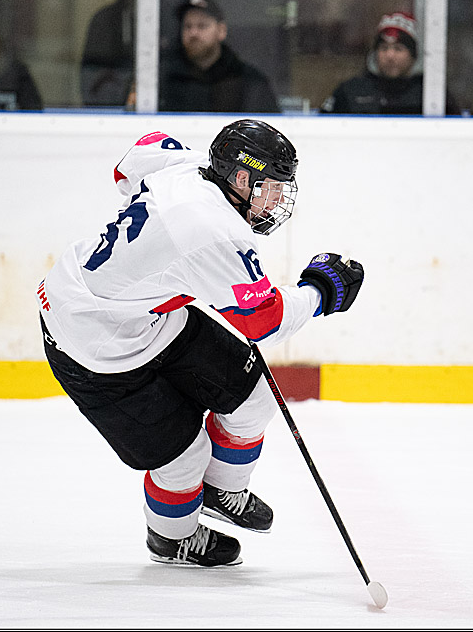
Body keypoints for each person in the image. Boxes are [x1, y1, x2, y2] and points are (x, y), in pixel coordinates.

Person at [36, 120, 364, 566]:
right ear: (242, 178)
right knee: (185, 457)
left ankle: (221, 490)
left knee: (257, 397)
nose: (275, 201)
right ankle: (172, 538)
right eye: (271, 188)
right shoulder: (214, 230)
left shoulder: (184, 163)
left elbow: (127, 166)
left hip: (148, 318)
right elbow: (263, 322)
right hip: (90, 342)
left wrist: (153, 254)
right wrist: (321, 293)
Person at [158, 0, 280, 114]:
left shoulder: (249, 82)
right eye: (188, 26)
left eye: (202, 26)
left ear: (221, 31)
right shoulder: (164, 79)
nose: (193, 33)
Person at [320, 11, 455, 115]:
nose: (390, 56)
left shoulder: (431, 93)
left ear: (413, 56)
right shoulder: (351, 91)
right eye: (384, 48)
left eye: (398, 49)